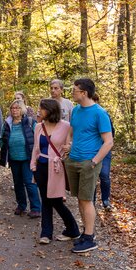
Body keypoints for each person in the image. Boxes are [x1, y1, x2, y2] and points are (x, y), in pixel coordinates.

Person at [64, 78, 114, 253]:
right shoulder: (76, 110)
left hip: (88, 163)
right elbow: (72, 131)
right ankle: (86, 233)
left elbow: (108, 142)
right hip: (73, 160)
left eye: (75, 90)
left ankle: (90, 237)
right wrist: (69, 146)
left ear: (84, 93)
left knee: (86, 200)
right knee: (80, 198)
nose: (72, 92)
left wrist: (93, 162)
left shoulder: (100, 113)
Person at [30, 98, 81, 245]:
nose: (39, 111)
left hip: (56, 168)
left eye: (42, 108)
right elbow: (36, 148)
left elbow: (72, 143)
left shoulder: (65, 126)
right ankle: (46, 233)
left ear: (50, 110)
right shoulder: (39, 127)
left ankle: (73, 229)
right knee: (45, 200)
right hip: (41, 167)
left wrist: (69, 147)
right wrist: (33, 165)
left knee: (56, 201)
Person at [0, 100, 41, 218]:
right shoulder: (7, 123)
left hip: (27, 157)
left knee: (29, 182)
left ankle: (36, 208)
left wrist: (36, 154)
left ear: (22, 109)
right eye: (12, 108)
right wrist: (5, 149)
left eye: (17, 108)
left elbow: (38, 137)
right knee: (17, 183)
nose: (14, 110)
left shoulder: (29, 122)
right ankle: (21, 205)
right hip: (13, 158)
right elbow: (2, 139)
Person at [91, 93, 114, 211]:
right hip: (91, 151)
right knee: (92, 176)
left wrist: (106, 146)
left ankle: (106, 200)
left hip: (104, 151)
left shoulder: (104, 114)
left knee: (104, 175)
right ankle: (92, 201)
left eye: (96, 101)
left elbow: (111, 134)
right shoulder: (86, 115)